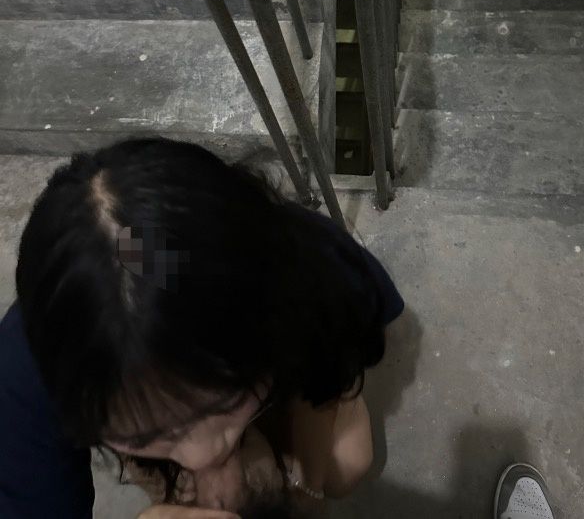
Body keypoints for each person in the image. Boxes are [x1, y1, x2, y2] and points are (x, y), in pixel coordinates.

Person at [0, 137, 404, 517]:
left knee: (346, 463)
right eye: (144, 435)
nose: (202, 456)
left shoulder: (296, 265)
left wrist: (306, 487)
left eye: (224, 402)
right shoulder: (23, 379)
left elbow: (329, 368)